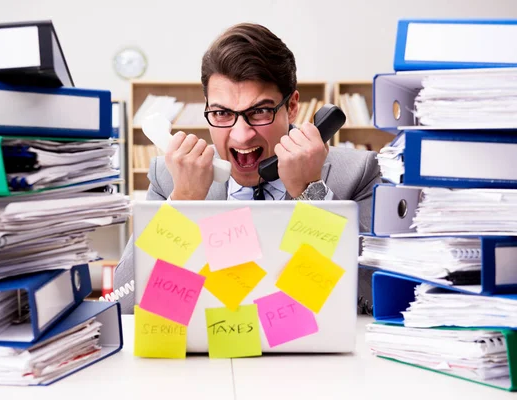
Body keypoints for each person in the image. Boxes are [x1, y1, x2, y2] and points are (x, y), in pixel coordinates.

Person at [112, 22, 382, 314]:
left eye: (260, 111)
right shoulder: (169, 179)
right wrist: (184, 204)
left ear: (292, 107)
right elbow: (128, 306)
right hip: (211, 353)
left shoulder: (357, 173)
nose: (241, 135)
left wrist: (310, 195)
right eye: (222, 113)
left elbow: (372, 302)